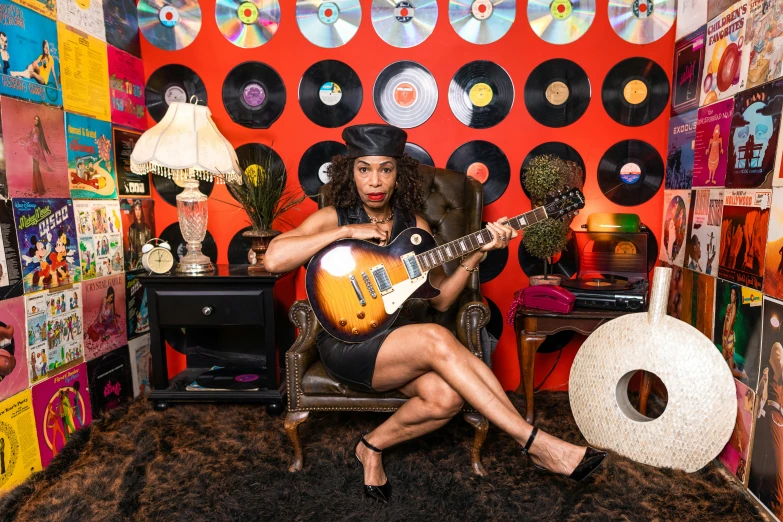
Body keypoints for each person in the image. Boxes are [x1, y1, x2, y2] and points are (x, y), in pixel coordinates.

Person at [264, 124, 606, 503]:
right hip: (346, 343)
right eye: (364, 169)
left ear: (399, 174)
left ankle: (371, 446)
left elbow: (441, 300)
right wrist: (345, 234)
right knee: (436, 336)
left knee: (445, 397)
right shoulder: (335, 218)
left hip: (397, 345)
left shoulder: (415, 229)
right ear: (351, 173)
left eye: (385, 169)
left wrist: (476, 255)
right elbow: (274, 258)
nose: (374, 180)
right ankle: (534, 442)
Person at [750, 342, 783, 519]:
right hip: (774, 416)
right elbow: (780, 372)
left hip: (780, 420)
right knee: (777, 475)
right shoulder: (778, 348)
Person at [15, 115, 52, 195]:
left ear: (39, 122)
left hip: (35, 150)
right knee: (35, 169)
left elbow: (35, 140)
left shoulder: (36, 129)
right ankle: (36, 189)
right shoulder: (34, 129)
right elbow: (27, 137)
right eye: (34, 119)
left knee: (36, 169)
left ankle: (40, 190)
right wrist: (19, 139)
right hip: (34, 150)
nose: (35, 121)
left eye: (37, 120)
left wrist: (33, 148)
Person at [127, 200, 152, 270]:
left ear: (142, 211)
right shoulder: (132, 228)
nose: (137, 212)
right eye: (136, 210)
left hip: (145, 257)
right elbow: (130, 246)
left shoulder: (147, 227)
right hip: (136, 258)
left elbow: (149, 243)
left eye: (139, 210)